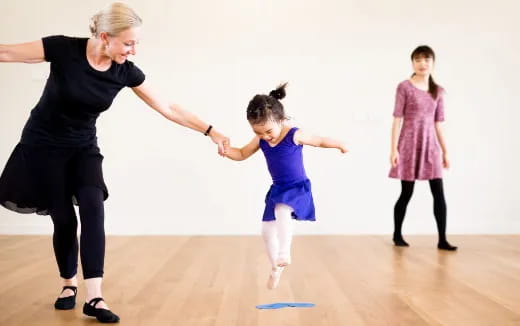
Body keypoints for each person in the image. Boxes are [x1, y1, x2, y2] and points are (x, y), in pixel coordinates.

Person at [0, 2, 229, 323]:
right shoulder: (64, 49)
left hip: (83, 147)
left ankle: (95, 297)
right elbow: (7, 53)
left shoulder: (124, 72)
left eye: (136, 43)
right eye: (129, 43)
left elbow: (168, 106)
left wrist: (211, 131)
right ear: (105, 37)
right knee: (64, 219)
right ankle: (69, 285)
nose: (134, 50)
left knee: (93, 204)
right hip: (43, 146)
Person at [225, 83, 347, 289]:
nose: (264, 136)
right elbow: (242, 153)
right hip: (278, 189)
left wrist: (340, 145)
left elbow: (319, 140)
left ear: (281, 120)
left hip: (297, 187)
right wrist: (226, 150)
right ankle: (275, 268)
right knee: (266, 231)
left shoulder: (294, 134)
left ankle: (284, 252)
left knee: (282, 210)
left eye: (268, 131)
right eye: (258, 132)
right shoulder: (260, 139)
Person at [389, 45, 457, 251]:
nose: (422, 63)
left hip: (431, 147)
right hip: (408, 145)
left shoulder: (438, 91)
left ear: (432, 63)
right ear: (413, 63)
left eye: (426, 59)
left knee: (438, 192)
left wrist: (445, 151)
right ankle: (397, 234)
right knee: (406, 192)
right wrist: (394, 150)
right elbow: (396, 120)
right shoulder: (404, 87)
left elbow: (439, 124)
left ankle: (442, 239)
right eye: (418, 60)